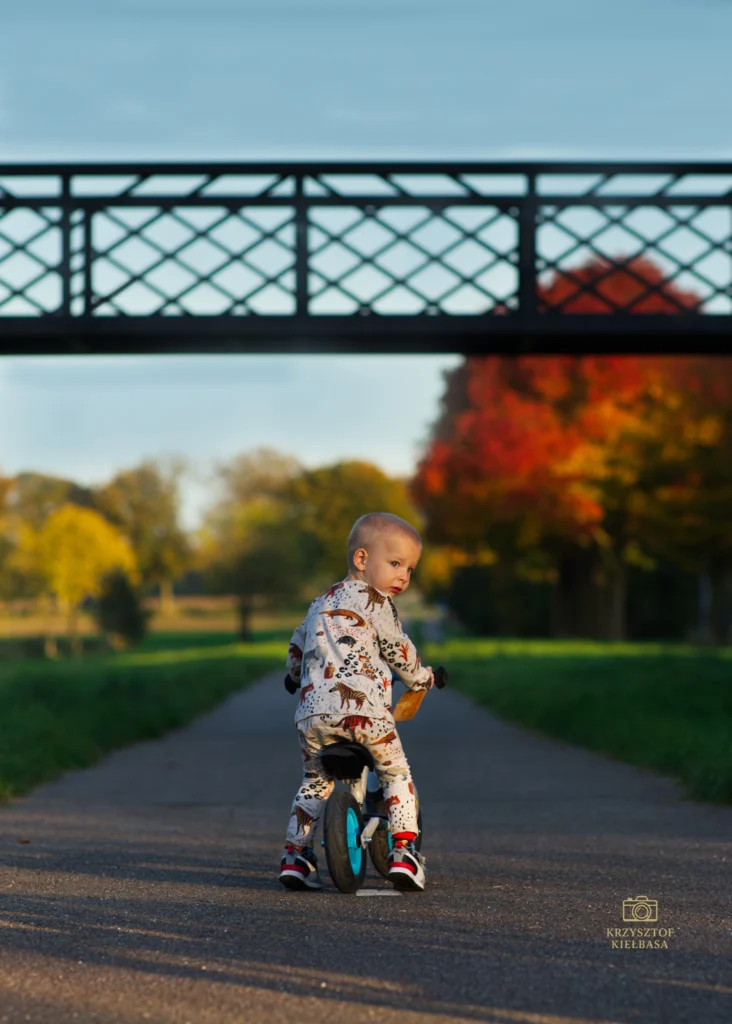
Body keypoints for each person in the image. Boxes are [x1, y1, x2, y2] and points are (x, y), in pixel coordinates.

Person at [279, 511, 434, 892]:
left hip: (312, 714)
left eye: (410, 569)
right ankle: (404, 851)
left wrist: (293, 676)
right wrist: (422, 677)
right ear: (362, 559)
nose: (403, 576)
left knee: (315, 782)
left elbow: (297, 647)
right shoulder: (375, 601)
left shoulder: (319, 602)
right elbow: (398, 649)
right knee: (395, 772)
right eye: (395, 564)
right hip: (363, 712)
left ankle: (295, 855)